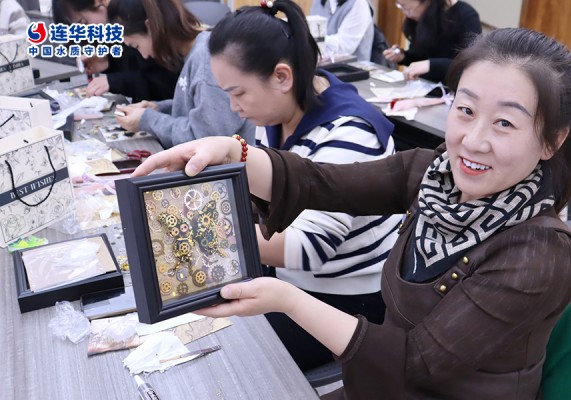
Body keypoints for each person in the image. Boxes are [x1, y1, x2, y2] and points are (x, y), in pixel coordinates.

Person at [133, 27, 571, 399]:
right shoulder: (433, 175)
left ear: (552, 140)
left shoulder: (539, 254)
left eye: (505, 122)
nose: (473, 139)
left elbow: (418, 362)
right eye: (465, 110)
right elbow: (323, 182)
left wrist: (288, 299)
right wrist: (233, 151)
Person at [207, 0, 402, 371]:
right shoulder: (278, 113)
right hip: (290, 280)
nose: (234, 107)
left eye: (239, 93)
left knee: (227, 355)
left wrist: (208, 238)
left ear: (282, 77)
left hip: (344, 303)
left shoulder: (349, 133)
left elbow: (308, 249)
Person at [107, 0, 254, 148]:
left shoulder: (205, 61)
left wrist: (147, 119)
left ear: (151, 27)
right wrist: (159, 108)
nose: (143, 55)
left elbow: (205, 139)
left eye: (136, 46)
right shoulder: (199, 50)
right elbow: (201, 106)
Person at [52, 0, 179, 102]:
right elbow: (136, 66)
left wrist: (114, 81)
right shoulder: (114, 24)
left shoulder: (135, 13)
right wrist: (109, 62)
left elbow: (166, 85)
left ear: (98, 2)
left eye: (84, 23)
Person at [383, 0, 481, 83]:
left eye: (408, 8)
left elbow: (469, 64)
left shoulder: (466, 16)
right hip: (422, 86)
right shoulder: (421, 17)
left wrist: (431, 65)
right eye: (401, 6)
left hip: (451, 89)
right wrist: (403, 56)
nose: (407, 14)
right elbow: (420, 57)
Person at [309, 0, 374, 62]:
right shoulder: (318, 2)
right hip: (319, 65)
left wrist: (316, 39)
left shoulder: (359, 3)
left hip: (349, 67)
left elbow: (344, 47)